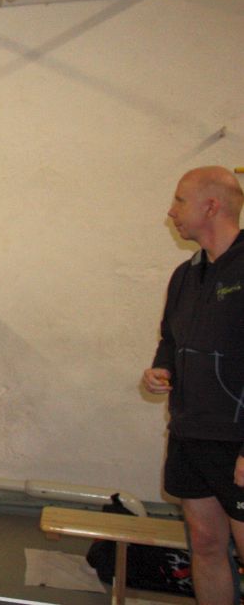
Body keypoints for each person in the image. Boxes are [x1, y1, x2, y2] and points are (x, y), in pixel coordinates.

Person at [142, 166, 244, 605]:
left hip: (236, 442)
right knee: (204, 543)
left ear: (212, 206)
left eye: (180, 200)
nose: (171, 211)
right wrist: (161, 369)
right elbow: (171, 339)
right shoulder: (185, 275)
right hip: (189, 434)